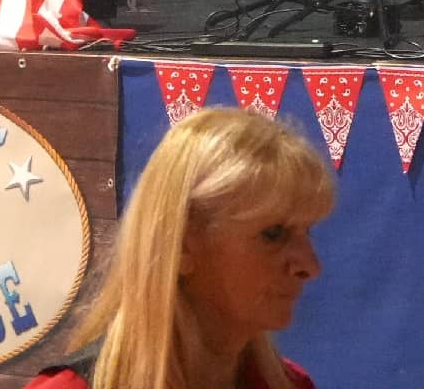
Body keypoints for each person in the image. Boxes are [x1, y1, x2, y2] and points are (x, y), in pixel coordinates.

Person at [26, 107, 332, 389]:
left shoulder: (291, 384)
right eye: (273, 234)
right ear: (183, 245)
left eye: (308, 232)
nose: (309, 266)